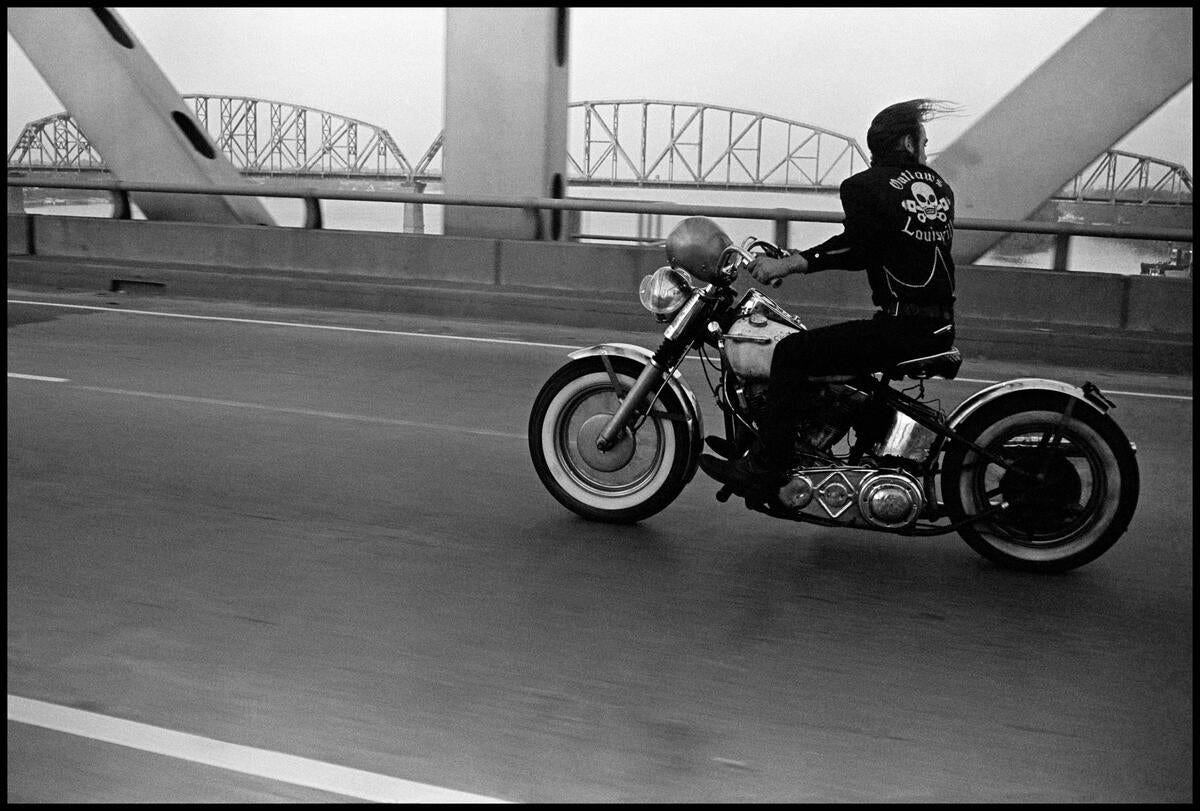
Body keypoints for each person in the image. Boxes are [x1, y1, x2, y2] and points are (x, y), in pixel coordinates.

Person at [700, 98, 960, 495]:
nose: (925, 149)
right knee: (831, 359)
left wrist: (789, 265)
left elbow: (859, 248)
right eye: (923, 140)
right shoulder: (940, 189)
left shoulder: (865, 186)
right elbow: (889, 245)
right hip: (935, 322)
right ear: (907, 142)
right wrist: (793, 259)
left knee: (790, 353)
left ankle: (766, 469)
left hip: (902, 326)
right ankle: (776, 442)